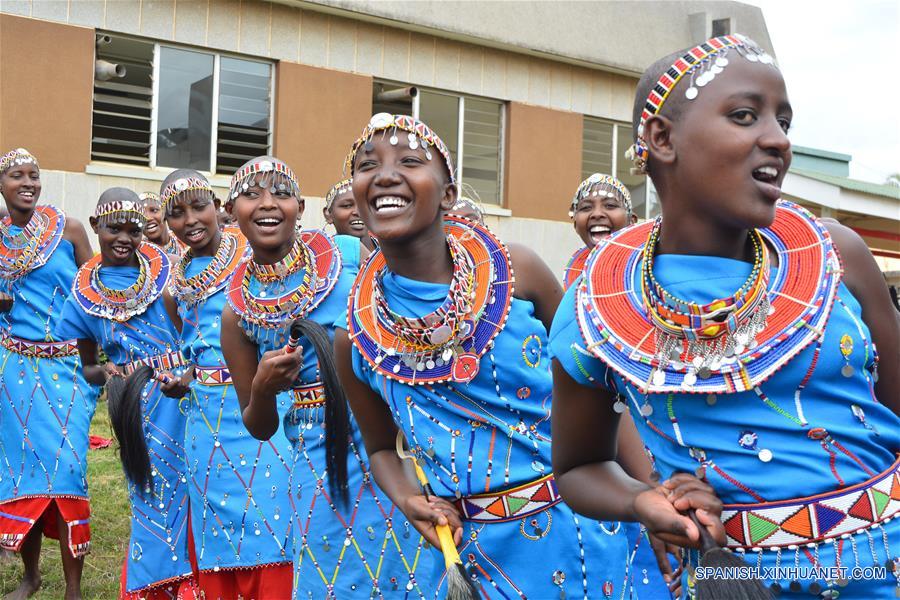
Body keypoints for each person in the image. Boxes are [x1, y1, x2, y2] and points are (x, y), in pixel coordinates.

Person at [549, 34, 900, 598]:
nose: (777, 141)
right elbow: (578, 467)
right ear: (662, 139)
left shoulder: (838, 256)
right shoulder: (597, 301)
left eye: (784, 122)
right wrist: (642, 501)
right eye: (745, 116)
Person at [335, 113, 632, 598]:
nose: (386, 174)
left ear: (448, 194)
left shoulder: (521, 272)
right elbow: (382, 449)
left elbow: (604, 389)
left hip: (594, 532)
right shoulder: (356, 336)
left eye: (410, 161)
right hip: (477, 559)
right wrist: (409, 498)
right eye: (369, 165)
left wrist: (647, 495)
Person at [219, 156, 431, 598]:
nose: (266, 204)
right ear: (231, 209)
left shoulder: (349, 253)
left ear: (299, 204)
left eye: (279, 192)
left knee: (410, 566)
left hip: (391, 432)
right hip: (317, 457)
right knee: (330, 573)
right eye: (250, 194)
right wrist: (262, 386)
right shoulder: (236, 311)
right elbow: (260, 426)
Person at [162, 169, 294, 597]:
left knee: (272, 513)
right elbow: (193, 345)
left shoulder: (253, 258)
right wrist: (185, 377)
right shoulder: (175, 285)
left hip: (262, 404)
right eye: (176, 213)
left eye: (198, 206)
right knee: (214, 517)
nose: (190, 220)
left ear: (219, 207)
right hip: (205, 418)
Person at [56, 188, 194, 599]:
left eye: (134, 230)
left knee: (195, 486)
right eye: (114, 228)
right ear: (96, 226)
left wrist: (185, 371)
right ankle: (157, 584)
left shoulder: (170, 271)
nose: (124, 238)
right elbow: (89, 368)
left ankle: (199, 584)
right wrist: (111, 372)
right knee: (149, 492)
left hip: (184, 396)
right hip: (138, 407)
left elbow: (195, 333)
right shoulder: (85, 291)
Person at [0, 148, 97, 600]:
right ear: (2, 185)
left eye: (33, 175)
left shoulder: (69, 229)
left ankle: (73, 590)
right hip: (16, 371)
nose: (27, 183)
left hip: (67, 368)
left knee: (68, 471)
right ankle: (31, 575)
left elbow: (95, 292)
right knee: (25, 475)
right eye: (17, 175)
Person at [563, 173, 636, 290]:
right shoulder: (575, 291)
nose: (597, 214)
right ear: (575, 224)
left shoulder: (648, 273)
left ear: (631, 221)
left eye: (610, 205)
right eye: (586, 207)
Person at [322, 177, 375, 251]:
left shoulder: (391, 253)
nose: (358, 212)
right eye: (347, 205)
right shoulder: (320, 256)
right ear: (328, 214)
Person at [142, 191, 185, 258]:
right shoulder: (136, 254)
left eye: (154, 210)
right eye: (142, 213)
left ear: (165, 213)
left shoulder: (184, 241)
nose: (148, 218)